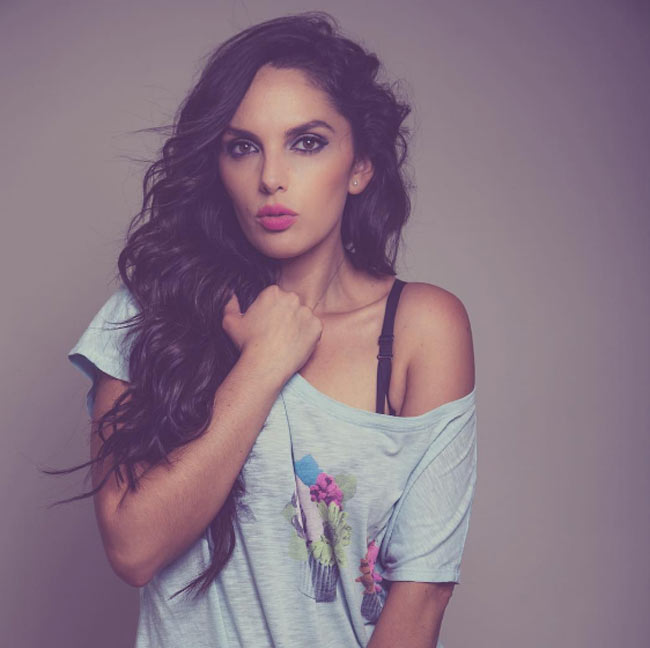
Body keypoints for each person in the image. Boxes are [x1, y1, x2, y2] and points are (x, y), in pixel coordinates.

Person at [58, 11, 477, 648]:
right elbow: (133, 547)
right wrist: (263, 364)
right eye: (243, 146)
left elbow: (422, 596)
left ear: (360, 165)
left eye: (306, 142)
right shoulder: (150, 307)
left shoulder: (420, 328)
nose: (271, 177)